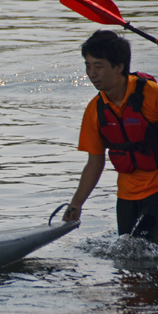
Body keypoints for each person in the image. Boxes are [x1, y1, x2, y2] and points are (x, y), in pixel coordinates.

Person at [63, 30, 158, 243]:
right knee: (127, 258)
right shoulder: (95, 111)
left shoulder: (152, 96)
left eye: (98, 66)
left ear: (119, 67)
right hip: (126, 197)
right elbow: (94, 163)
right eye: (87, 66)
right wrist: (75, 205)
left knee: (142, 253)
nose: (91, 73)